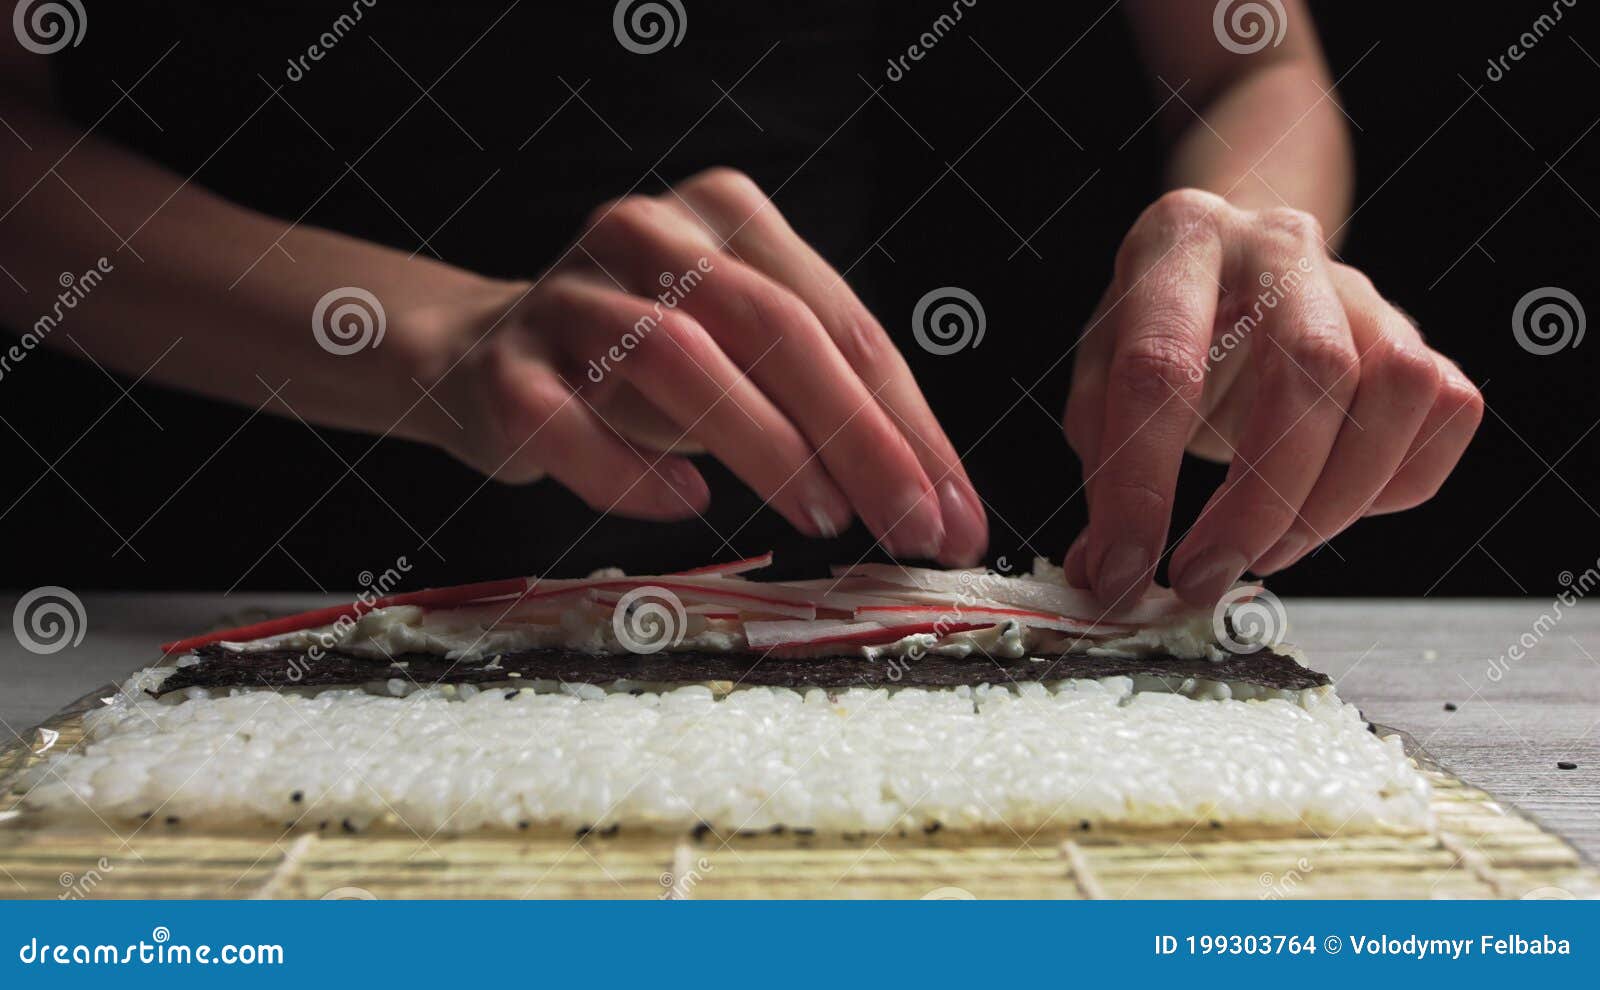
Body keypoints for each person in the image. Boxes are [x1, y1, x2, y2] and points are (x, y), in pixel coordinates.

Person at [0, 1, 1479, 607]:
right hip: (194, 540)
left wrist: (1238, 235)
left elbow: (1247, 63)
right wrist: (438, 336)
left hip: (800, 557)